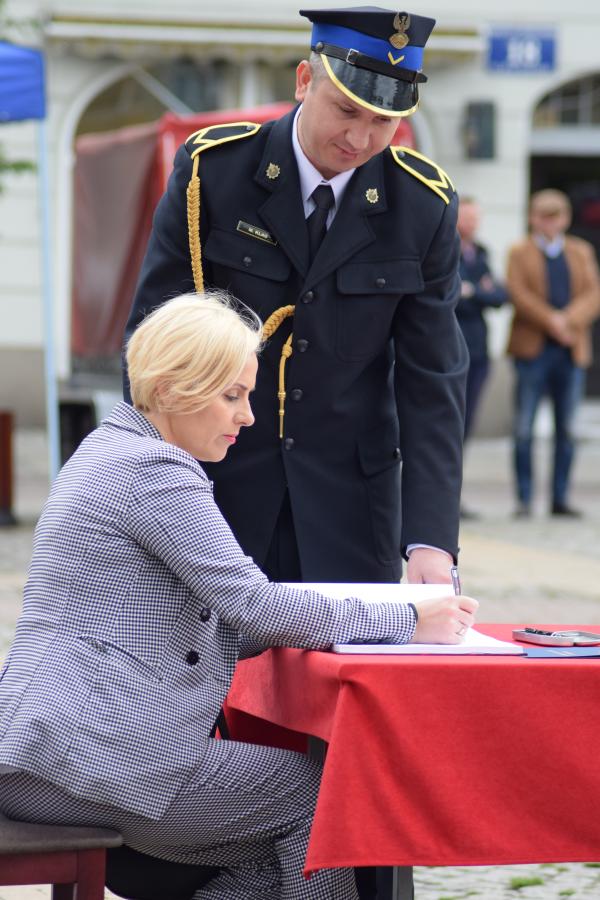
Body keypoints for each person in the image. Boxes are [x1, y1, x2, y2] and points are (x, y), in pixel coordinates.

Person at [0, 292, 478, 900]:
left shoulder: (106, 449)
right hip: (89, 756)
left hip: (43, 746)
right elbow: (253, 606)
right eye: (232, 396)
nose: (248, 417)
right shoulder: (155, 471)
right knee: (321, 795)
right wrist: (407, 618)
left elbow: (206, 616)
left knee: (279, 852)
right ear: (171, 390)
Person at [123, 6, 468, 591]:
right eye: (347, 110)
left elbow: (432, 379)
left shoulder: (421, 206)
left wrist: (431, 541)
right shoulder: (215, 172)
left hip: (350, 511)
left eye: (384, 121)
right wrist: (151, 487)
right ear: (305, 81)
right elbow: (151, 345)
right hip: (212, 496)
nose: (359, 138)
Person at [506, 188, 600, 518]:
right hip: (532, 350)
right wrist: (551, 321)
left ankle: (560, 498)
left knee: (567, 428)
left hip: (570, 349)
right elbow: (518, 293)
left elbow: (593, 294)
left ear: (566, 219)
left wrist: (568, 320)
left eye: (555, 217)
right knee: (524, 428)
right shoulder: (519, 252)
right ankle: (524, 498)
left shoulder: (580, 251)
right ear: (533, 219)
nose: (550, 223)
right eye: (544, 217)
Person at [456, 196, 507, 519]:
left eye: (476, 218)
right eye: (467, 218)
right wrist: (479, 290)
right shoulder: (445, 249)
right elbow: (449, 294)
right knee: (446, 428)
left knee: (465, 427)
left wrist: (473, 290)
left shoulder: (482, 253)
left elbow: (500, 296)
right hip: (451, 350)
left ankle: (453, 497)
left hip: (479, 351)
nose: (473, 224)